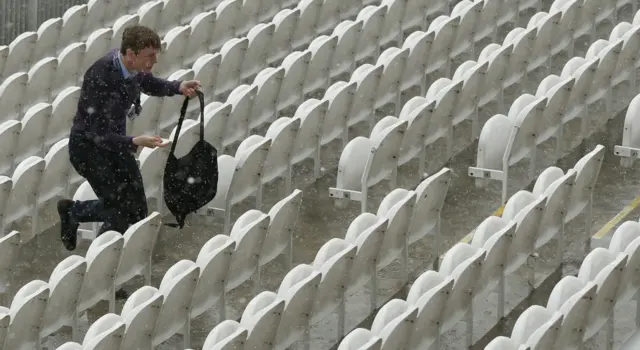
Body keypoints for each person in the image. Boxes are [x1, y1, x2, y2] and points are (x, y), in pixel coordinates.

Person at [56, 25, 200, 298]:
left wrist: (177, 87)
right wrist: (134, 141)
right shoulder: (101, 75)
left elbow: (148, 82)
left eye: (155, 56)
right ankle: (98, 280)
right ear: (130, 54)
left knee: (136, 212)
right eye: (149, 56)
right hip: (90, 151)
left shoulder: (133, 69)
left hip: (116, 147)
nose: (153, 62)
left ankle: (75, 213)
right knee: (121, 211)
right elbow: (97, 134)